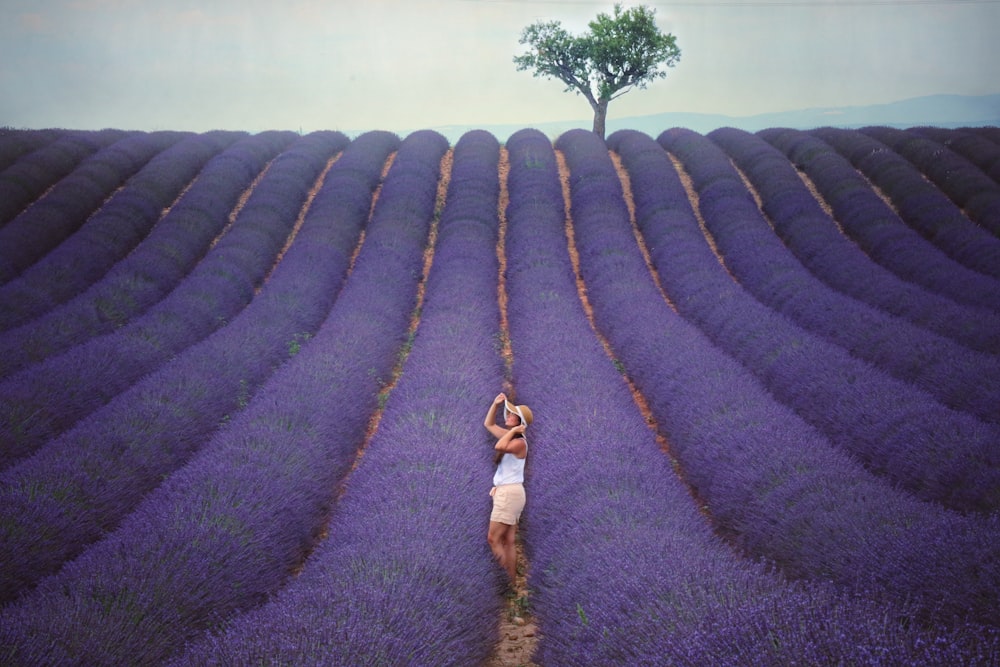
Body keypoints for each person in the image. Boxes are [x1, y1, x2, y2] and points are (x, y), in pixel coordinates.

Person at [483, 392, 533, 584]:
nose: (508, 417)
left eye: (512, 415)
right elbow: (488, 424)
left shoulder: (519, 443)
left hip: (509, 494)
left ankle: (504, 580)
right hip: (511, 492)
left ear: (519, 422)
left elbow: (499, 447)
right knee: (509, 540)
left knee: (493, 539)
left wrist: (512, 431)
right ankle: (512, 582)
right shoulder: (512, 437)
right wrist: (495, 404)